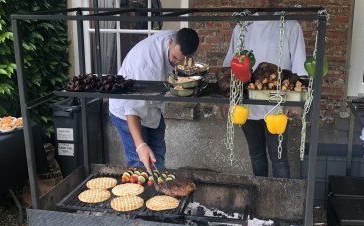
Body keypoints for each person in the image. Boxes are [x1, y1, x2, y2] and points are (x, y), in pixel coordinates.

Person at [221, 0, 308, 178]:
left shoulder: (290, 26)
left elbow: (300, 65)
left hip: (278, 104)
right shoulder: (243, 26)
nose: (264, 2)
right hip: (246, 103)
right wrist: (225, 98)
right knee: (256, 155)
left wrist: (297, 102)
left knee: (279, 158)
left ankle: (280, 201)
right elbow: (229, 66)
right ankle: (260, 198)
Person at [109, 28, 200, 172]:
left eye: (182, 60)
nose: (177, 63)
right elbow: (132, 109)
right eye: (175, 58)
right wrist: (140, 146)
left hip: (152, 108)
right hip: (127, 112)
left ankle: (159, 191)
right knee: (140, 165)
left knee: (158, 161)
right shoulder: (147, 65)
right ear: (170, 43)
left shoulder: (179, 38)